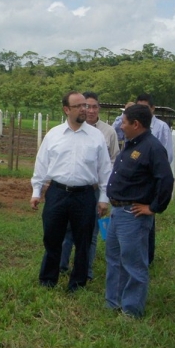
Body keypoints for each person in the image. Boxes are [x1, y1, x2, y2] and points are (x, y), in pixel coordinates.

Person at [31, 91, 113, 293]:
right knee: (52, 238)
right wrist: (36, 191)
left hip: (84, 195)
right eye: (79, 106)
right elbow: (41, 164)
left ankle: (77, 284)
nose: (85, 110)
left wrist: (103, 198)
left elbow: (104, 169)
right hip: (57, 193)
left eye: (86, 106)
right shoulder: (54, 134)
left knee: (83, 240)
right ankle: (48, 280)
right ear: (67, 109)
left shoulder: (96, 137)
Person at [104, 104, 174, 317]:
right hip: (116, 212)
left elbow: (166, 179)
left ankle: (131, 310)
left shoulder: (152, 147)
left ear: (136, 124)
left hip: (132, 215)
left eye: (124, 122)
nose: (121, 126)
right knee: (114, 258)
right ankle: (113, 302)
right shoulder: (131, 144)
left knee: (134, 264)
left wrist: (153, 207)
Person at [59, 92, 120, 279]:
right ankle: (61, 266)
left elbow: (113, 161)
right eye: (86, 106)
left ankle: (87, 271)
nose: (90, 110)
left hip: (93, 190)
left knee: (90, 233)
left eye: (94, 107)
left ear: (99, 109)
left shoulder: (108, 132)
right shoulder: (70, 129)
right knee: (67, 231)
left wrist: (105, 194)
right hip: (71, 190)